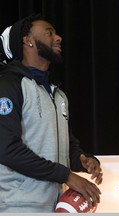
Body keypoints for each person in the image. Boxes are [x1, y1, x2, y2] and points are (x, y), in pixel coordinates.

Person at [0, 14, 103, 212]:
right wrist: (66, 176)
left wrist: (81, 159)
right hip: (18, 205)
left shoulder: (58, 94)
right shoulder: (8, 85)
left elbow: (67, 146)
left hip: (53, 205)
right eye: (49, 33)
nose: (58, 38)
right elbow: (7, 149)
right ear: (28, 41)